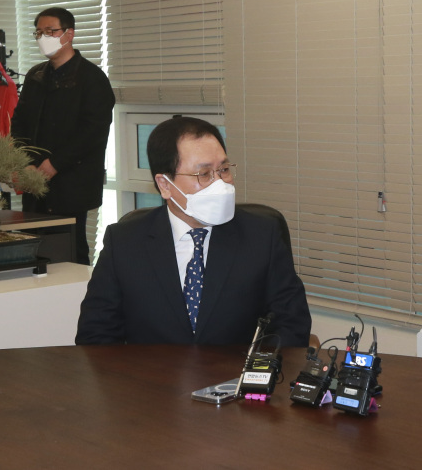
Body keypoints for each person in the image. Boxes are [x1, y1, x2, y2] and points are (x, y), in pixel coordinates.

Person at [76, 116, 311, 346]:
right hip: (151, 380)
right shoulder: (125, 241)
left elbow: (292, 324)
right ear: (165, 185)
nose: (221, 184)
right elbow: (96, 334)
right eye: (204, 174)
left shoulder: (261, 235)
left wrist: (253, 377)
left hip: (236, 379)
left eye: (224, 169)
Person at [10, 7, 115, 265]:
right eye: (39, 32)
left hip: (71, 181)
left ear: (69, 34)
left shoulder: (92, 78)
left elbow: (93, 132)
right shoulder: (36, 75)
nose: (43, 37)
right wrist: (25, 164)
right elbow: (20, 124)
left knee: (68, 250)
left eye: (51, 31)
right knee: (32, 249)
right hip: (34, 178)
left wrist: (54, 164)